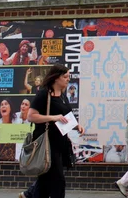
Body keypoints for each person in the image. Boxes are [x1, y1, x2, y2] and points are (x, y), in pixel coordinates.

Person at [27, 64, 84, 198]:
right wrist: (53, 117)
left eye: (68, 76)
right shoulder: (44, 94)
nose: (68, 79)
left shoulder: (63, 96)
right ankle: (30, 194)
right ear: (56, 78)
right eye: (65, 77)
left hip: (60, 142)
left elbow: (66, 117)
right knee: (58, 180)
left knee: (46, 181)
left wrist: (76, 126)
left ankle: (30, 194)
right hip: (47, 142)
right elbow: (31, 116)